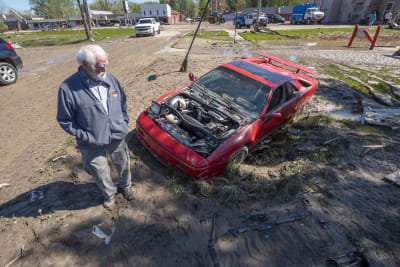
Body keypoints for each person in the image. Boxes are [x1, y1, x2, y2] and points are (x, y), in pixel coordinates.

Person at [57, 45, 134, 210]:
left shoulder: (110, 78)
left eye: (106, 64)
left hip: (116, 135)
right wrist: (86, 136)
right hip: (91, 142)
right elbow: (65, 120)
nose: (104, 68)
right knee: (99, 172)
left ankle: (126, 185)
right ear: (85, 65)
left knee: (123, 162)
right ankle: (110, 194)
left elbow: (122, 102)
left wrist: (123, 122)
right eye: (99, 65)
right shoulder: (68, 88)